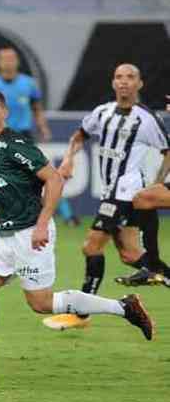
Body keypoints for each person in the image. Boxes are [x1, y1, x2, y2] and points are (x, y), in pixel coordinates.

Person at [0, 89, 154, 384]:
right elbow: (14, 191)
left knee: (41, 303)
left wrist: (42, 224)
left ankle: (124, 307)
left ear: (5, 112)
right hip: (4, 233)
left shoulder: (16, 144)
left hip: (30, 232)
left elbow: (54, 179)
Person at [43, 64, 170, 331]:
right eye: (119, 77)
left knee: (91, 246)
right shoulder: (102, 113)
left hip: (126, 192)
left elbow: (167, 151)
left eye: (130, 77)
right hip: (111, 191)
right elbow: (80, 135)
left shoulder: (146, 119)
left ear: (140, 84)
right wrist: (68, 160)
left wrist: (157, 184)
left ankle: (80, 313)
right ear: (113, 83)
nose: (124, 82)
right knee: (130, 254)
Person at [0, 47, 79, 225]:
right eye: (4, 59)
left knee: (40, 175)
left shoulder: (28, 83)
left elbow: (37, 108)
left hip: (20, 137)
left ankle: (67, 214)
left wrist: (43, 127)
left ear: (17, 62)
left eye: (11, 59)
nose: (8, 62)